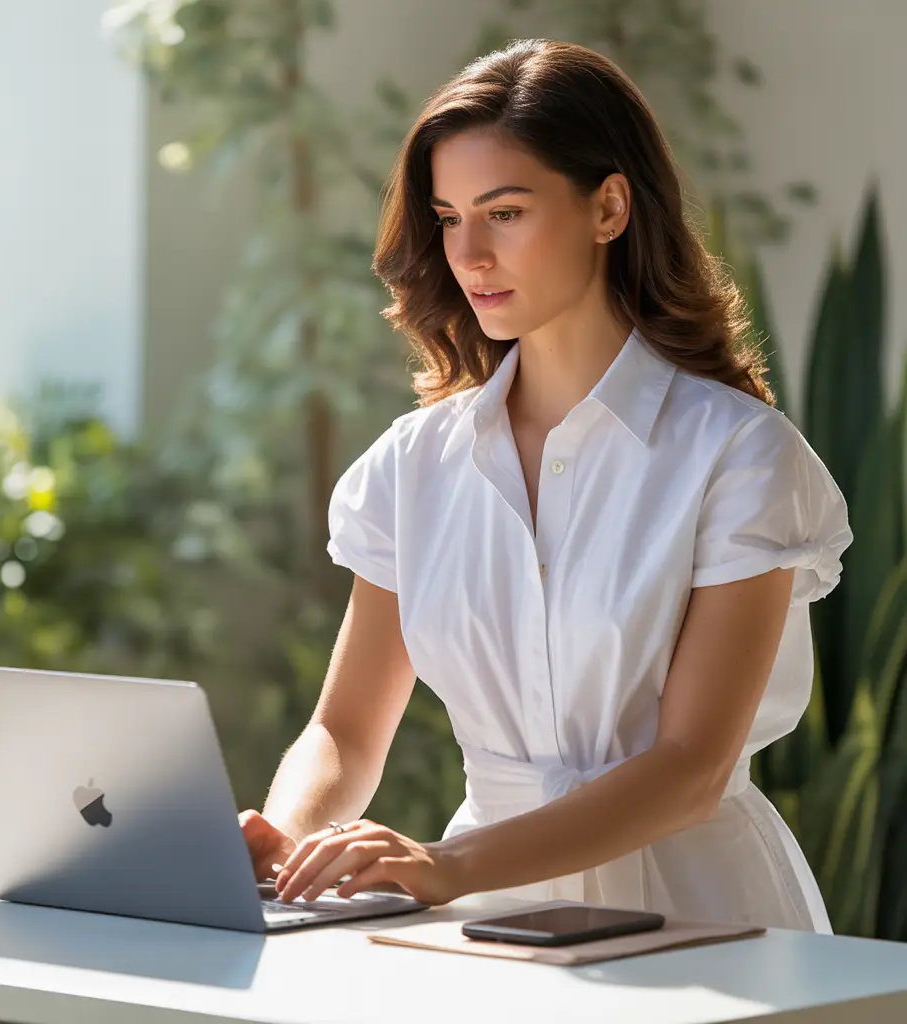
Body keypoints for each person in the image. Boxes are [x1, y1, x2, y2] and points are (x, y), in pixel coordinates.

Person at [238, 38, 852, 932]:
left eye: (506, 212)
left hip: (701, 919)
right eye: (448, 218)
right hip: (490, 916)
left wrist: (448, 865)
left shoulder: (739, 457)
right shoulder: (415, 465)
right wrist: (285, 838)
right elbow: (347, 730)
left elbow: (690, 767)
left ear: (609, 207)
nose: (470, 253)